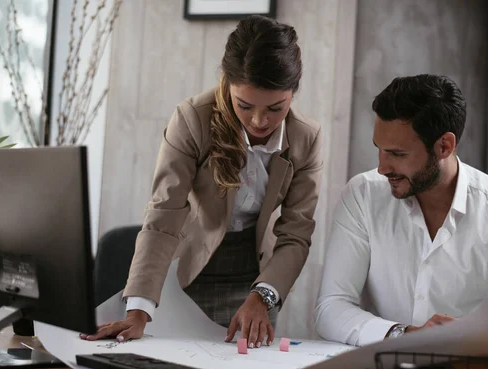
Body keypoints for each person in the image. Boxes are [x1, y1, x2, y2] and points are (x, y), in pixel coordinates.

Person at [81, 16, 323, 349]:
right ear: (228, 82)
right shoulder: (193, 119)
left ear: (293, 92)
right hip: (190, 271)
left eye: (275, 108)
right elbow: (164, 215)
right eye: (245, 105)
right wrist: (137, 309)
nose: (258, 121)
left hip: (258, 278)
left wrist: (263, 296)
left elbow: (296, 233)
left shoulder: (306, 138)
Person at [314, 74, 488, 354]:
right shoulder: (363, 196)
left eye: (397, 154)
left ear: (444, 146)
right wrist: (406, 335)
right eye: (380, 150)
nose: (382, 167)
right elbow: (330, 309)